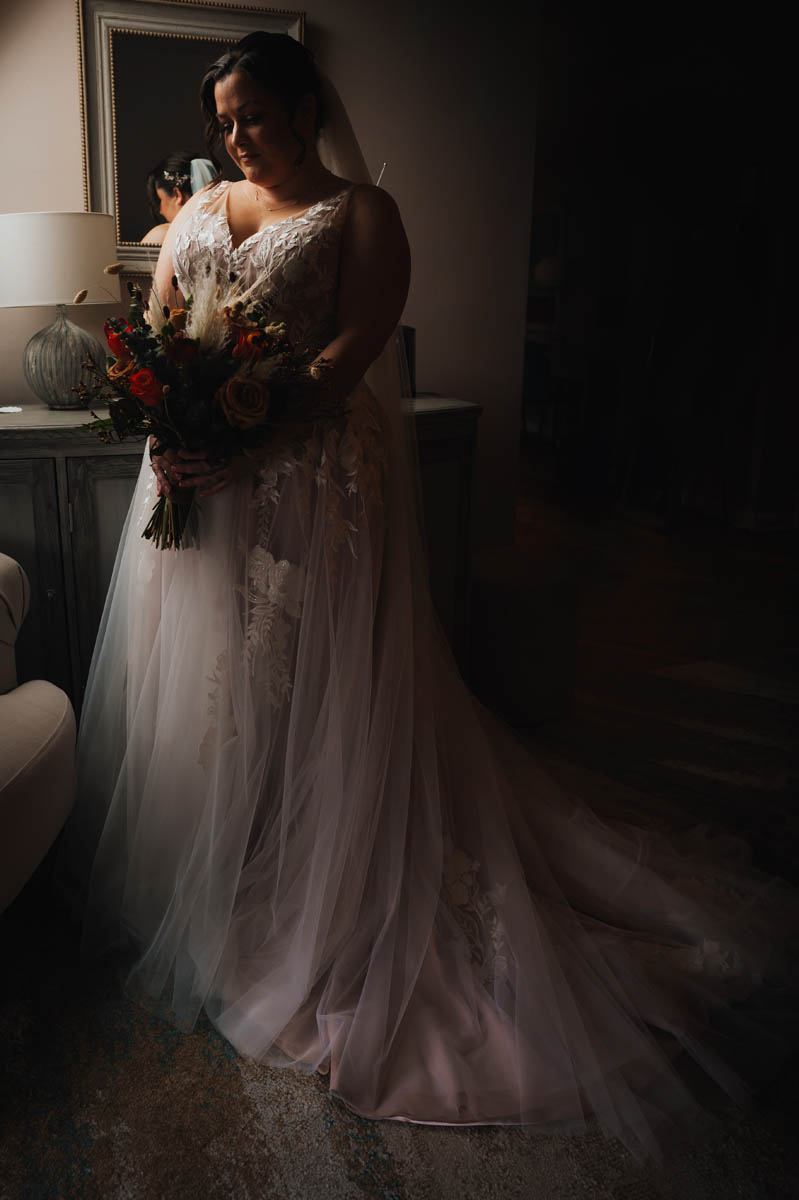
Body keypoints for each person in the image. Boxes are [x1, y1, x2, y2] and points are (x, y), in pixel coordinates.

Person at [59, 31, 798, 1167]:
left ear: (305, 108)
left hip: (308, 491)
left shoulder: (362, 216)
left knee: (305, 685)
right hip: (206, 493)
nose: (236, 137)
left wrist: (238, 425)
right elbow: (161, 335)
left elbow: (348, 354)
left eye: (253, 114)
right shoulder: (198, 218)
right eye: (224, 122)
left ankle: (318, 875)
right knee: (209, 689)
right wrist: (173, 429)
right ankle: (223, 868)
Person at [141, 151, 217, 245]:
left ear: (177, 195)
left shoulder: (163, 234)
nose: (160, 210)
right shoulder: (224, 230)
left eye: (160, 200)